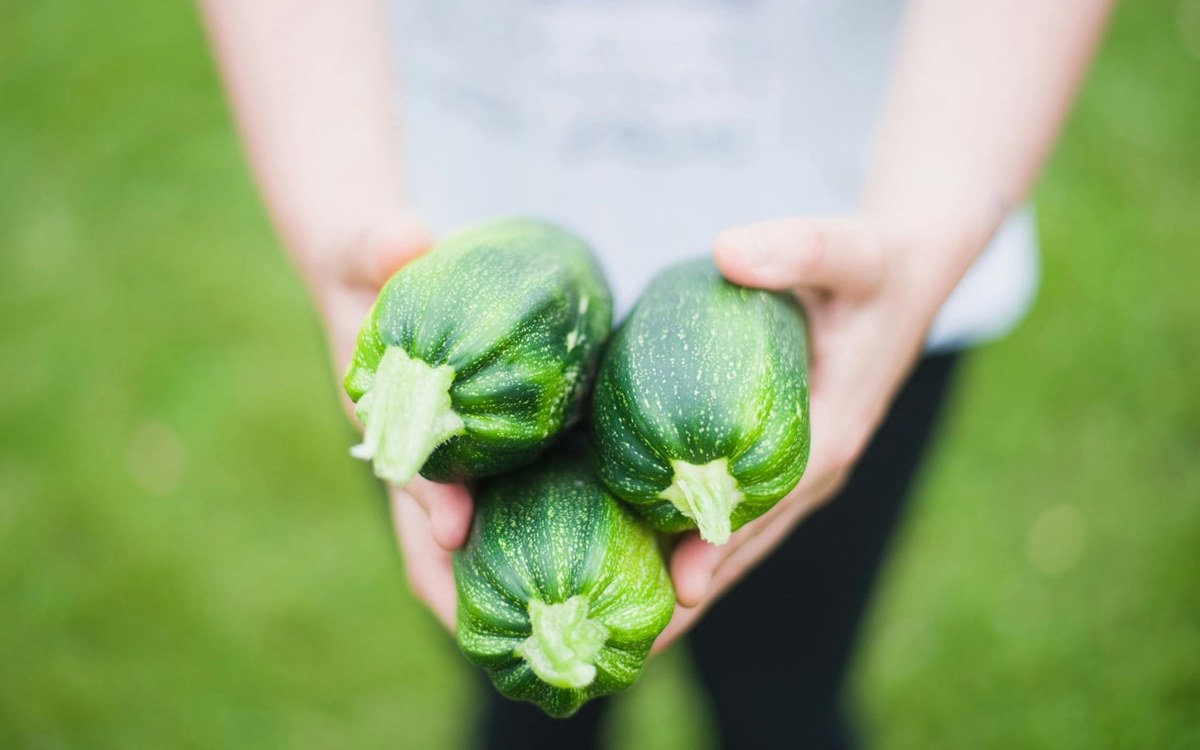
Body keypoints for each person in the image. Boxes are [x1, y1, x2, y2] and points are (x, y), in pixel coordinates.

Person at [200, 1, 1112, 747]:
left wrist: (932, 233)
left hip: (866, 259)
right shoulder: (423, 348)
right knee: (528, 708)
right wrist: (336, 215)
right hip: (454, 267)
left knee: (785, 696)